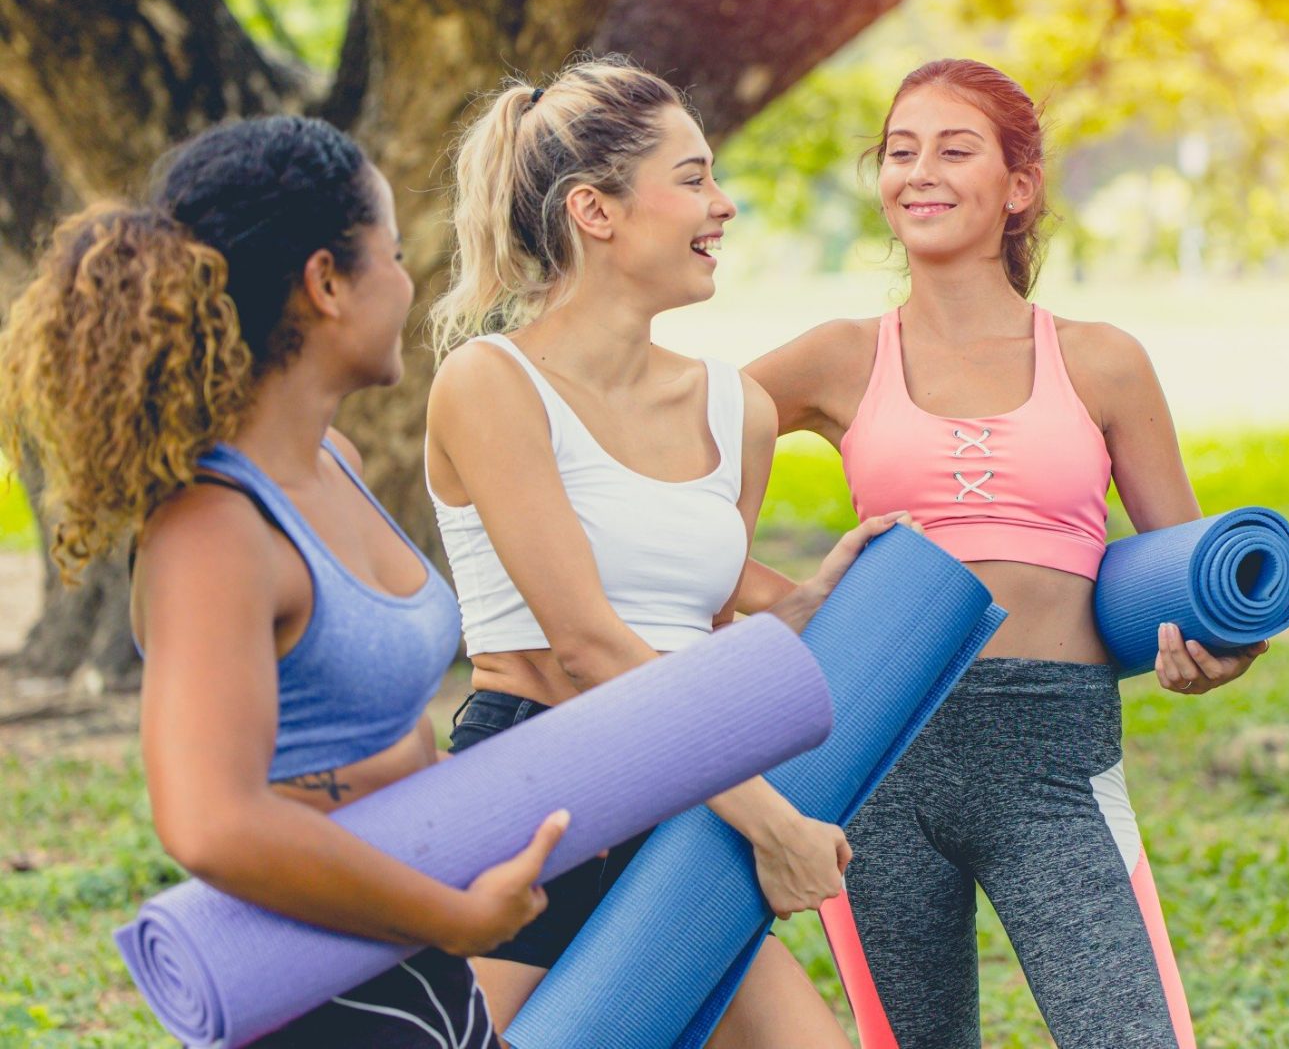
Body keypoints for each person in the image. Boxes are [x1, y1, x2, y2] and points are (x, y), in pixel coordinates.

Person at [0, 117, 566, 1046]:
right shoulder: (215, 529)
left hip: (413, 953)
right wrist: (448, 918)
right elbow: (210, 823)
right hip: (320, 987)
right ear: (327, 283)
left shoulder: (331, 462)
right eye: (388, 253)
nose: (406, 279)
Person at [744, 58, 1260, 1049]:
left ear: (1018, 186)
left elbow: (1196, 578)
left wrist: (1226, 650)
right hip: (883, 749)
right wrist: (790, 596)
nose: (918, 171)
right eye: (899, 151)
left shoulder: (1103, 359)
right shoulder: (837, 356)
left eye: (953, 147)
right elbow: (677, 464)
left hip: (1055, 755)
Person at [426, 54, 902, 1044]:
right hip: (538, 797)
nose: (722, 204)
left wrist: (803, 605)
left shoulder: (741, 409)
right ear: (596, 211)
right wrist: (775, 824)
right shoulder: (489, 383)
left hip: (685, 794)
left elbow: (699, 617)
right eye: (692, 177)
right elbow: (586, 647)